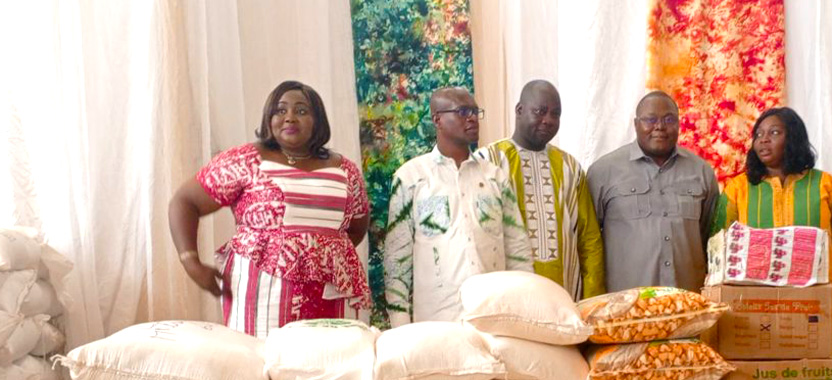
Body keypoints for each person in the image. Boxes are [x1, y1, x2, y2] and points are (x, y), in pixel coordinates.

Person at [169, 80, 370, 337]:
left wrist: (319, 253)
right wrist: (190, 261)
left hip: (330, 295)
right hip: (260, 289)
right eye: (280, 110)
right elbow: (185, 202)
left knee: (327, 365)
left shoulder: (345, 169)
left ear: (318, 120)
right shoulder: (246, 160)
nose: (289, 118)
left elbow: (355, 227)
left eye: (301, 111)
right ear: (268, 117)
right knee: (261, 365)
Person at [713, 106, 832, 356]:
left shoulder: (826, 186)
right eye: (759, 134)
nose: (763, 139)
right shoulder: (737, 189)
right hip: (754, 309)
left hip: (822, 305)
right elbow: (717, 252)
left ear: (793, 138)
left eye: (774, 132)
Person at [381, 87, 533, 327]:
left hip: (495, 319)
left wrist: (523, 311)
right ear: (437, 120)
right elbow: (396, 261)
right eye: (463, 111)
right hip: (437, 323)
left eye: (475, 111)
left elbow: (518, 251)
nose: (472, 118)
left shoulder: (495, 177)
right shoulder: (412, 178)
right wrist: (400, 326)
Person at [476, 80, 605, 300]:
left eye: (555, 114)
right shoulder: (488, 162)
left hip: (565, 294)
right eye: (540, 111)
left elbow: (589, 239)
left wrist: (594, 300)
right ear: (519, 110)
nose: (548, 120)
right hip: (507, 296)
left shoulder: (570, 167)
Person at [587, 90, 718, 293]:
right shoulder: (603, 172)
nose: (659, 127)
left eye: (669, 119)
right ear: (636, 124)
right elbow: (589, 243)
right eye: (650, 119)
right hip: (625, 309)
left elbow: (708, 236)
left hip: (688, 306)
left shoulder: (701, 171)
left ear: (679, 123)